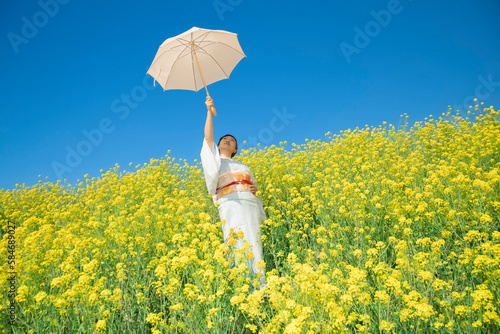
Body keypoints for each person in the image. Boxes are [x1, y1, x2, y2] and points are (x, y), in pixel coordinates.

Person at [200, 96, 267, 289]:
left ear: (236, 148)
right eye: (224, 139)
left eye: (232, 141)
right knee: (235, 240)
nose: (227, 141)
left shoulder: (243, 165)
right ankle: (243, 285)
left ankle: (260, 286)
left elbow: (253, 186)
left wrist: (255, 191)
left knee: (254, 241)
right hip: (230, 205)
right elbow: (208, 138)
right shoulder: (215, 161)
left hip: (249, 204)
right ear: (218, 145)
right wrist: (209, 111)